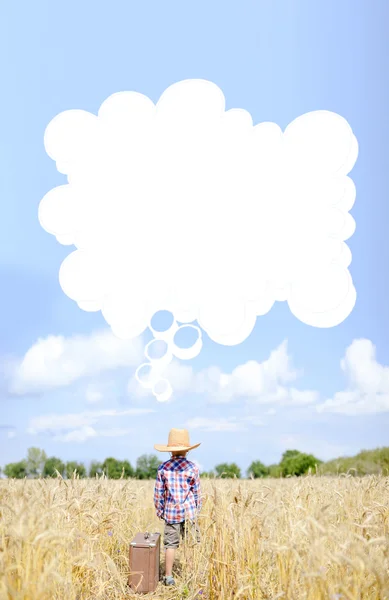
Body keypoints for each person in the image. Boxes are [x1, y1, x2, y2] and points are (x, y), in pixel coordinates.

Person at [153, 428, 202, 586]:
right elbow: (197, 493)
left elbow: (159, 493)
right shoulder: (193, 468)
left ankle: (168, 576)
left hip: (171, 513)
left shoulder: (163, 468)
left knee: (170, 545)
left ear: (170, 451)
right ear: (187, 451)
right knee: (191, 543)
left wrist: (160, 510)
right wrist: (196, 510)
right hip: (189, 513)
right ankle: (192, 572)